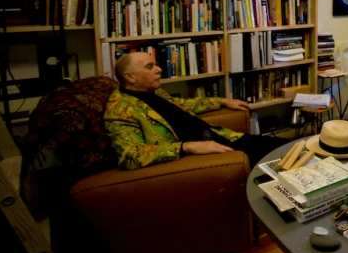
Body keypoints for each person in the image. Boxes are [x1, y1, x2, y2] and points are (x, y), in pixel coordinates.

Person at [105, 52, 283, 170]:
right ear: (130, 77)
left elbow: (183, 105)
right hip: (202, 156)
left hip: (220, 136)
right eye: (149, 67)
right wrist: (188, 147)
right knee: (278, 162)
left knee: (288, 148)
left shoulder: (154, 91)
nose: (159, 69)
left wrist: (222, 100)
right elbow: (130, 155)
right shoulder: (120, 109)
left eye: (156, 64)